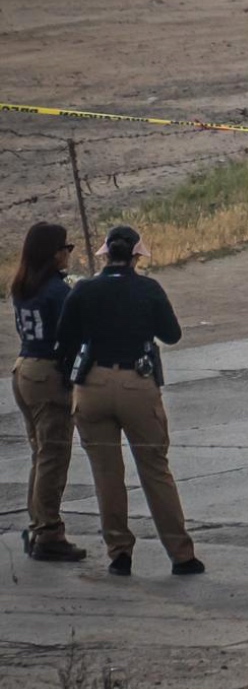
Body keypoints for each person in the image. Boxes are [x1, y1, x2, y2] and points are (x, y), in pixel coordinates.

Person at [57, 225, 203, 577]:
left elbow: (64, 341)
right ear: (137, 256)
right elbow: (172, 334)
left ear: (105, 255)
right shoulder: (148, 289)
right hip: (137, 383)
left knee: (107, 474)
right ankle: (180, 554)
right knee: (155, 470)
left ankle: (119, 551)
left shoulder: (83, 290)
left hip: (91, 384)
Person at [11, 222, 86, 563]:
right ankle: (49, 532)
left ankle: (38, 523)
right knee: (54, 457)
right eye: (65, 249)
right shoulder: (58, 292)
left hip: (24, 368)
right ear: (53, 253)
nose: (68, 254)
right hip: (48, 375)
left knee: (40, 455)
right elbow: (72, 333)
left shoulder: (23, 286)